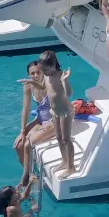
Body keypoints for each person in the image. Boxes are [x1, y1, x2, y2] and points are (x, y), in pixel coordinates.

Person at [13, 60, 57, 186]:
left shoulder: (49, 83)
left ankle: (25, 177)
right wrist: (22, 131)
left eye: (38, 72)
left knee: (28, 143)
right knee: (18, 145)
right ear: (29, 75)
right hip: (40, 119)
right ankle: (30, 173)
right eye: (32, 73)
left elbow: (48, 93)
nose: (36, 75)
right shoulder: (28, 86)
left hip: (53, 121)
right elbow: (26, 109)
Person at [38, 50, 76, 179]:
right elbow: (44, 88)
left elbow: (69, 93)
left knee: (66, 139)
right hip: (55, 111)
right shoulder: (46, 75)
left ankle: (71, 167)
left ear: (53, 65)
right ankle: (64, 161)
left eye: (45, 70)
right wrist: (32, 83)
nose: (43, 72)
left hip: (65, 112)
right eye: (42, 70)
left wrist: (65, 81)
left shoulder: (60, 75)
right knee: (58, 137)